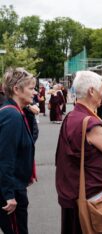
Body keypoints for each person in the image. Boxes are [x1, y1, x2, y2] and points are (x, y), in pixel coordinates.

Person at [55, 71, 102, 234]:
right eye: (101, 89)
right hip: (92, 199)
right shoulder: (89, 122)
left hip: (72, 193)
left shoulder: (71, 116)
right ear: (91, 91)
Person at [0, 67, 37, 234]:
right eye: (30, 88)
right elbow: (5, 158)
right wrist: (9, 194)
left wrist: (29, 112)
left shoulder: (17, 112)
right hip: (11, 191)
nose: (34, 92)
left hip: (15, 186)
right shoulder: (12, 115)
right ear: (16, 89)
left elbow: (30, 140)